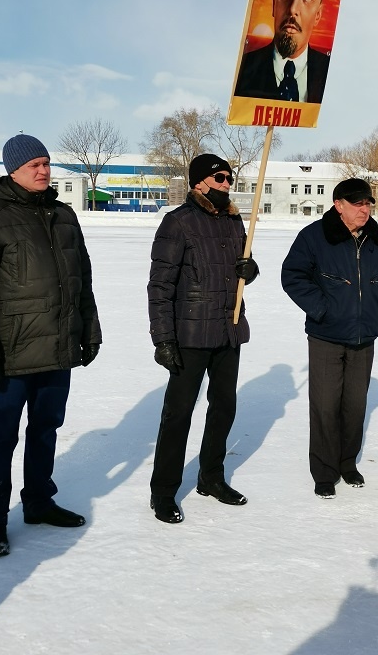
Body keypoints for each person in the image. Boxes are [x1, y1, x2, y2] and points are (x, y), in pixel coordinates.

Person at [0, 134, 102, 558]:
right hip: (11, 353)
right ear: (13, 170)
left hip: (58, 347)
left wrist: (88, 331)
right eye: (33, 165)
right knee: (0, 435)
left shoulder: (63, 215)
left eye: (46, 163)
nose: (43, 171)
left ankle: (39, 501)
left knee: (45, 429)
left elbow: (81, 281)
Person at [147, 153, 259, 524]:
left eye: (229, 178)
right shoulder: (178, 222)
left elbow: (239, 270)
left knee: (224, 408)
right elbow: (160, 286)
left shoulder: (234, 221)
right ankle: (164, 491)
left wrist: (250, 269)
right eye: (220, 177)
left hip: (228, 329)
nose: (227, 183)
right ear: (200, 182)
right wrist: (163, 339)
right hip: (190, 334)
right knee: (178, 414)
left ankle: (211, 477)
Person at [281, 178, 378, 498]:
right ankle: (324, 471)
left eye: (368, 203)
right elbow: (292, 275)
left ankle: (347, 463)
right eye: (357, 203)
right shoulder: (314, 236)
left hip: (364, 336)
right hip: (326, 336)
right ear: (338, 205)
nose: (365, 209)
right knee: (324, 405)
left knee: (355, 405)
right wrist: (322, 309)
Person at [234, 0, 330, 104]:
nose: (293, 9)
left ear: (318, 15)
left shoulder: (327, 73)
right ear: (274, 2)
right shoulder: (245, 70)